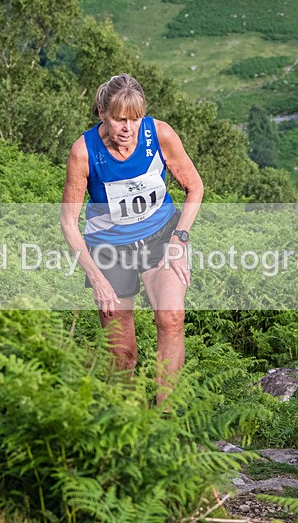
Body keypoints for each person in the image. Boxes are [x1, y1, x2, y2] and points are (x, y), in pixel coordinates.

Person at [61, 73, 203, 406]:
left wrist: (180, 239)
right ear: (102, 114)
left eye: (135, 119)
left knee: (171, 317)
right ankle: (124, 420)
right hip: (110, 249)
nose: (128, 127)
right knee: (121, 353)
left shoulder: (160, 134)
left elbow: (195, 187)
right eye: (119, 119)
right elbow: (68, 223)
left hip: (161, 238)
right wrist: (97, 279)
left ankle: (165, 416)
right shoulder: (84, 152)